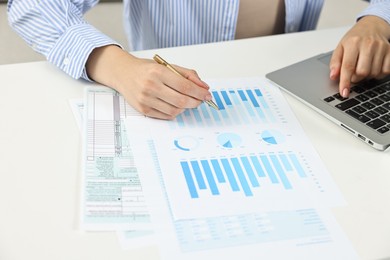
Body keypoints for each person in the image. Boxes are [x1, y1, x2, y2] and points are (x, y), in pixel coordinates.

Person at [7, 0, 390, 120]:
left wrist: (377, 20)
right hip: (169, 100)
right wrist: (116, 67)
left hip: (288, 87)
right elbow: (34, 6)